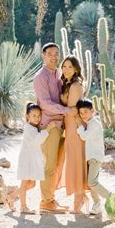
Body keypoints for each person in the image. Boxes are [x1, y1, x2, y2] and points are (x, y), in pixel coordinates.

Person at [33, 43, 78, 213]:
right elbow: (45, 103)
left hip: (59, 126)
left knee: (56, 164)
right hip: (49, 126)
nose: (54, 56)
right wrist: (67, 111)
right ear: (43, 56)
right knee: (49, 165)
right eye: (50, 53)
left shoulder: (58, 74)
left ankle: (51, 199)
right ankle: (46, 202)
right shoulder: (41, 77)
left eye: (56, 53)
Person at [6, 103, 56, 214]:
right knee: (24, 184)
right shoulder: (28, 128)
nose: (37, 118)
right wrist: (48, 129)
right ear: (28, 116)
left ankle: (12, 197)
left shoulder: (34, 128)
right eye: (34, 115)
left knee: (32, 184)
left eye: (39, 116)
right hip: (26, 159)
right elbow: (38, 140)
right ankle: (23, 207)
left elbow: (36, 144)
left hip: (32, 159)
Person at [58, 55, 90, 214]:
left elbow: (71, 108)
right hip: (70, 126)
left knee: (76, 161)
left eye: (70, 67)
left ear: (76, 69)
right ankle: (80, 195)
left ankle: (80, 196)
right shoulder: (68, 84)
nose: (66, 69)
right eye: (64, 66)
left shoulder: (76, 86)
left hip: (74, 126)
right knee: (73, 160)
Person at [76, 98, 112, 215]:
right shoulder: (91, 123)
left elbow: (84, 136)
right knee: (92, 182)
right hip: (91, 157)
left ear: (93, 110)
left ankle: (112, 197)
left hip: (95, 157)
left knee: (92, 183)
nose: (83, 115)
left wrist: (79, 126)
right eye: (81, 113)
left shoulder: (95, 124)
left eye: (86, 112)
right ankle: (97, 204)